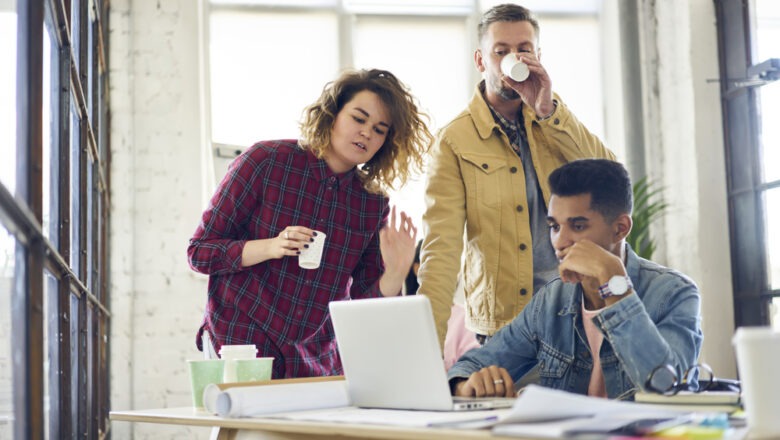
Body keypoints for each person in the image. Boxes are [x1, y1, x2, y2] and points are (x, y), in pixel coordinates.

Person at [187, 69, 433, 378]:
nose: (367, 133)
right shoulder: (266, 161)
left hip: (315, 360)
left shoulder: (372, 204)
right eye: (359, 118)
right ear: (332, 114)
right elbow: (200, 252)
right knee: (250, 429)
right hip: (240, 341)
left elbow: (362, 309)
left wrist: (396, 274)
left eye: (380, 129)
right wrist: (272, 247)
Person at [417, 3, 616, 350]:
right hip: (504, 329)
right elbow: (441, 251)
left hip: (572, 314)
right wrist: (427, 347)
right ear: (481, 61)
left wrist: (548, 112)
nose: (514, 58)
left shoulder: (555, 119)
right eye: (501, 51)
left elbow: (613, 179)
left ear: (538, 55)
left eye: (524, 49)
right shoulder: (453, 141)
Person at [448, 159, 703, 399]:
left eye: (578, 226)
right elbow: (470, 365)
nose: (559, 242)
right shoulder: (550, 301)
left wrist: (614, 282)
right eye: (554, 227)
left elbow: (666, 389)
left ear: (620, 228)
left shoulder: (674, 294)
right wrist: (466, 385)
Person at [405, 240, 480, 368]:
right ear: (417, 268)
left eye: (454, 263)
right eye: (441, 263)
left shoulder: (466, 319)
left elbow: (471, 368)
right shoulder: (403, 315)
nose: (450, 270)